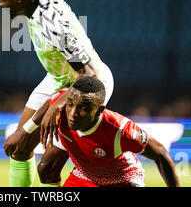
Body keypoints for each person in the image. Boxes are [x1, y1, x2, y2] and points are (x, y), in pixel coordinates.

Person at [0, 0, 114, 187]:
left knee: (47, 169)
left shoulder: (55, 25)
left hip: (88, 86)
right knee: (19, 148)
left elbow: (88, 76)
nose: (0, 4)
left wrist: (55, 107)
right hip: (60, 79)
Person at [9, 76, 181, 187]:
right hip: (84, 178)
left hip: (122, 181)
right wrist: (24, 131)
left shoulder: (119, 129)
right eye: (70, 104)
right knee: (45, 167)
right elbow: (51, 101)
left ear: (99, 110)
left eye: (83, 108)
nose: (73, 114)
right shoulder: (60, 109)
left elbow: (160, 154)